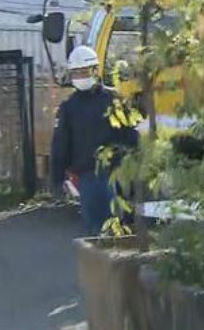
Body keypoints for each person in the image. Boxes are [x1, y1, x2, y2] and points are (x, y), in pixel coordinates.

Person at [51, 45, 139, 235]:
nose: (81, 77)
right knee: (97, 231)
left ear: (95, 71)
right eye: (76, 73)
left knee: (118, 229)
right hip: (88, 176)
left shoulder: (114, 99)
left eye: (85, 72)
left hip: (116, 173)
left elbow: (131, 135)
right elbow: (61, 145)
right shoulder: (69, 108)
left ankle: (118, 263)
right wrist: (58, 177)